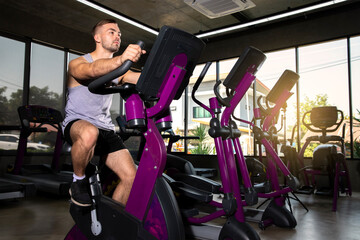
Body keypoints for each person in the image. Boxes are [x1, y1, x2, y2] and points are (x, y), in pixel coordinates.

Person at [62, 19, 146, 207]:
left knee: (132, 177)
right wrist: (122, 59)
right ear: (97, 37)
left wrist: (168, 73)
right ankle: (78, 181)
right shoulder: (78, 63)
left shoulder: (118, 70)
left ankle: (114, 221)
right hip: (78, 123)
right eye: (111, 32)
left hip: (105, 128)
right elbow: (92, 70)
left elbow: (138, 78)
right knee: (90, 132)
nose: (118, 36)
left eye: (119, 34)